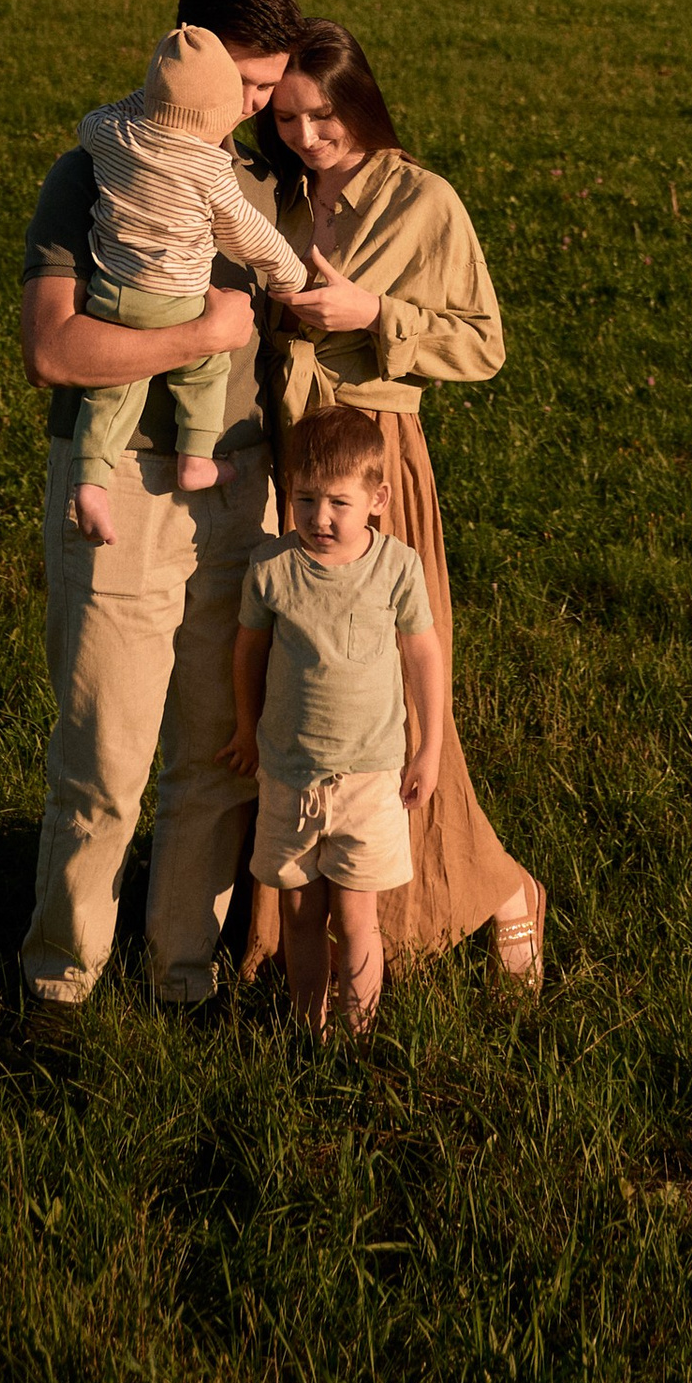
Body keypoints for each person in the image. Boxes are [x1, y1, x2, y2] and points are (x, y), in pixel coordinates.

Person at [19, 0, 300, 1018]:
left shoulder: (265, 186)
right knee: (103, 763)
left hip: (241, 486)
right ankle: (59, 985)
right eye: (253, 84)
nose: (262, 110)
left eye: (274, 89)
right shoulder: (89, 173)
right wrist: (201, 332)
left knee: (214, 758)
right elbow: (54, 348)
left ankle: (182, 976)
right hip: (119, 490)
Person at [257, 21, 546, 986]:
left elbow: (483, 344)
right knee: (301, 693)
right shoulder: (282, 197)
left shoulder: (424, 200)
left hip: (376, 468)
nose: (305, 134)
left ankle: (494, 889)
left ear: (361, 101)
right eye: (288, 116)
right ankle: (283, 928)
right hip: (290, 463)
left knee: (391, 700)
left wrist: (375, 315)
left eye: (324, 114)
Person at [228, 402, 446, 1035]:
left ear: (378, 498)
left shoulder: (397, 567)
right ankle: (309, 1029)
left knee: (356, 918)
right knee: (298, 912)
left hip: (370, 779)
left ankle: (357, 1037)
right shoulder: (271, 568)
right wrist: (246, 728)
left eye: (338, 504)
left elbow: (423, 655)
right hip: (289, 774)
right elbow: (247, 652)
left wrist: (427, 749)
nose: (319, 518)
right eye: (304, 500)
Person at [67, 26, 315, 539]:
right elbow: (252, 236)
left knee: (111, 392)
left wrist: (152, 98)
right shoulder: (210, 168)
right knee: (204, 369)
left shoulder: (116, 138)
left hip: (112, 296)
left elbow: (91, 121)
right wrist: (292, 276)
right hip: (179, 302)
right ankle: (196, 458)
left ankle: (90, 482)